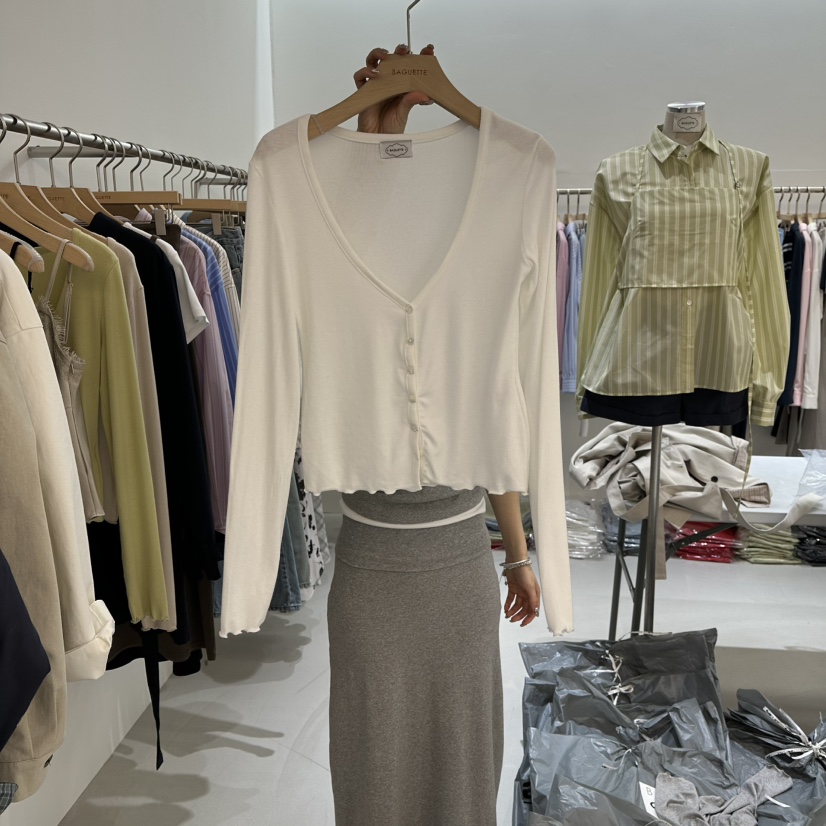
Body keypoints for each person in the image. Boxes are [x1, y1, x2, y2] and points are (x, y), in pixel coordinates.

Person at [325, 43, 542, 826]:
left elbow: (497, 422)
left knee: (460, 761)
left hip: (457, 563)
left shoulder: (475, 263)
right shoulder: (335, 255)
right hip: (371, 566)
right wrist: (369, 141)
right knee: (373, 766)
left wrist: (517, 552)